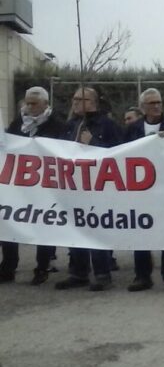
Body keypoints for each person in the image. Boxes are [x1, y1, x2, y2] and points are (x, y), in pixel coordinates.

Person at [55, 87, 123, 291]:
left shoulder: (107, 125)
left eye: (80, 99)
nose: (74, 102)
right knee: (75, 229)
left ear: (92, 102)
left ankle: (102, 273)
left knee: (95, 229)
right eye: (73, 99)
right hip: (74, 186)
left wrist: (92, 142)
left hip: (98, 187)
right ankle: (78, 272)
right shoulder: (71, 125)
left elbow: (120, 152)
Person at [0, 87, 66, 285]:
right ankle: (8, 265)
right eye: (27, 103)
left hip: (45, 185)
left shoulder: (57, 125)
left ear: (45, 104)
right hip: (18, 184)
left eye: (34, 103)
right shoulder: (18, 123)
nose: (29, 107)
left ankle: (42, 266)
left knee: (43, 226)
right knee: (10, 222)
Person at [125, 88, 164, 292]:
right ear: (143, 107)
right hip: (140, 189)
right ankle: (142, 276)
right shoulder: (132, 129)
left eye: (159, 102)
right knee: (140, 230)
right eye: (152, 103)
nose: (157, 106)